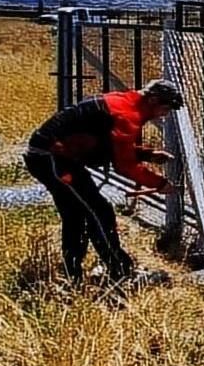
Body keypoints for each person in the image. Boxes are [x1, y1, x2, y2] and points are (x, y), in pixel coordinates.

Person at [23, 79, 183, 283]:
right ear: (153, 100)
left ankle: (72, 274)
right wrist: (160, 184)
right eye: (166, 108)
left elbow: (109, 145)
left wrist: (147, 155)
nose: (165, 114)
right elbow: (123, 165)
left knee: (76, 213)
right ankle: (120, 272)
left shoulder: (123, 102)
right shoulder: (127, 115)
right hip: (51, 158)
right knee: (99, 211)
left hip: (52, 156)